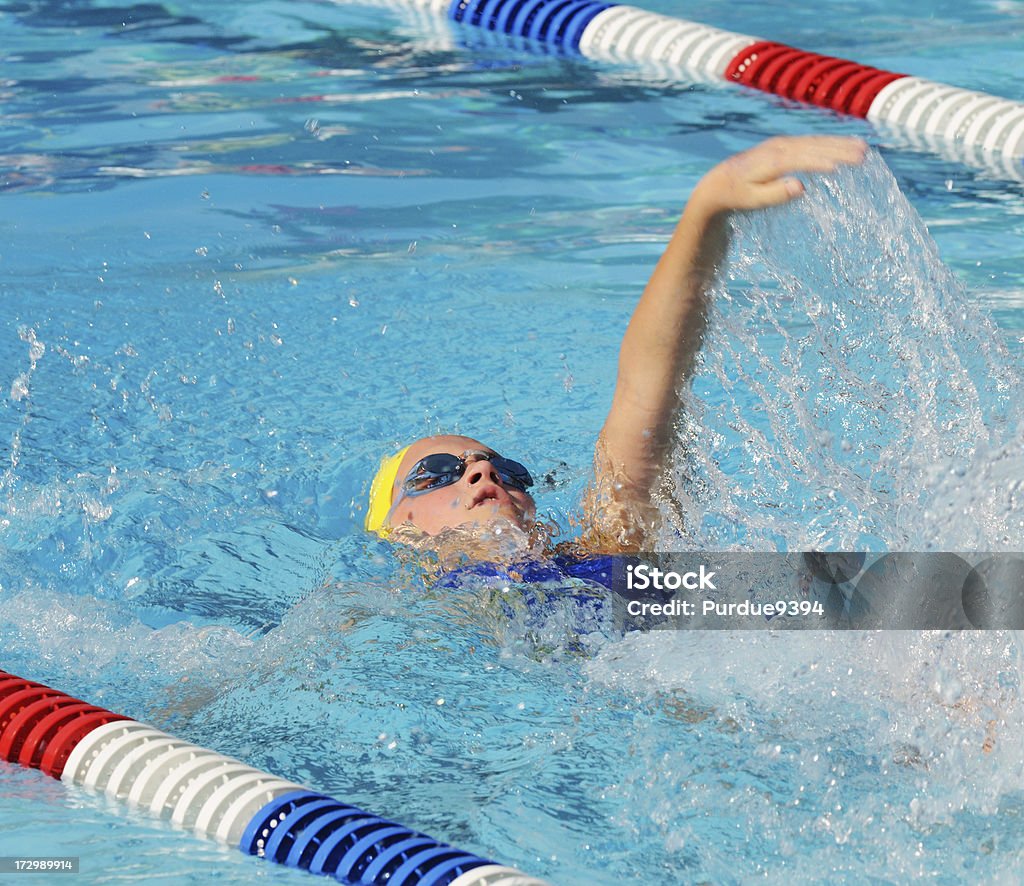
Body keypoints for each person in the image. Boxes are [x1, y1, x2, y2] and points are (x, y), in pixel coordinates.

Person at [365, 135, 868, 557]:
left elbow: (643, 397)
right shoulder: (368, 615)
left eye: (508, 470)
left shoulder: (603, 561)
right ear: (397, 525)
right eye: (436, 474)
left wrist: (707, 211)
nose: (481, 470)